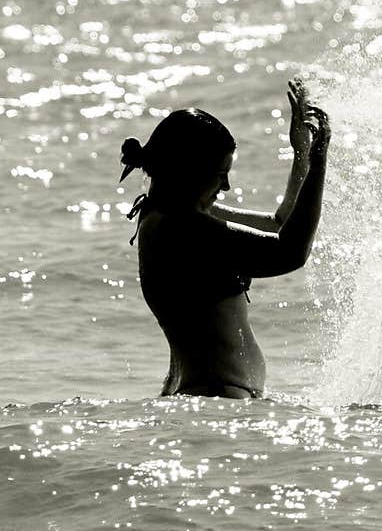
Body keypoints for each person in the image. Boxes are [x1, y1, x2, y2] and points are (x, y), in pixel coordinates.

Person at [119, 80, 330, 399]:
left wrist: (301, 154)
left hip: (211, 398)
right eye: (221, 174)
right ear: (188, 171)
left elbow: (279, 225)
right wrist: (319, 161)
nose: (228, 186)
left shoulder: (175, 218)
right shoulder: (179, 227)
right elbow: (291, 251)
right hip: (216, 396)